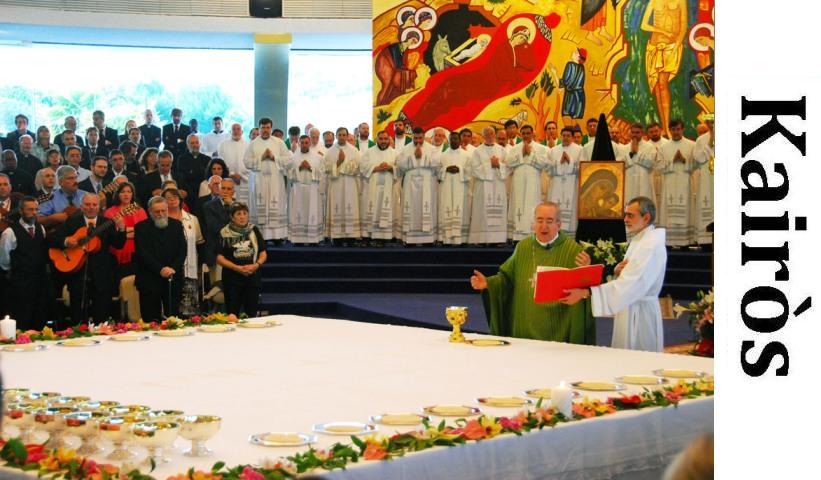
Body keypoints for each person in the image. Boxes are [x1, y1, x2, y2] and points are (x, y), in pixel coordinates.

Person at [471, 202, 595, 343]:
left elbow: (585, 290)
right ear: (533, 224)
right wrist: (488, 283)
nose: (544, 226)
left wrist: (585, 271)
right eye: (539, 220)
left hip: (558, 328)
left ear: (559, 225)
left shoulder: (573, 250)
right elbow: (506, 279)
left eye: (549, 221)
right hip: (524, 324)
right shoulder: (523, 247)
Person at [563, 196, 666, 351]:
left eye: (630, 215)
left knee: (639, 362)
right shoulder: (641, 240)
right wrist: (617, 271)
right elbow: (629, 277)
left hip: (640, 314)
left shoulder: (649, 245)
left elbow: (629, 285)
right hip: (630, 305)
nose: (625, 219)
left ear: (646, 217)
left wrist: (586, 292)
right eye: (625, 214)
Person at [50, 193, 126, 325]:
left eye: (94, 204)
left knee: (102, 318)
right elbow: (52, 239)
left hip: (101, 277)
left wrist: (122, 228)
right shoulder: (72, 221)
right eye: (87, 204)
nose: (91, 207)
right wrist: (66, 241)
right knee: (78, 318)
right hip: (78, 276)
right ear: (81, 206)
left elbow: (118, 244)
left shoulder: (106, 223)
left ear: (99, 207)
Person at [134, 196, 187, 322]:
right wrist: (160, 269)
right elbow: (142, 253)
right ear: (150, 212)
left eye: (164, 210)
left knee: (174, 319)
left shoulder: (176, 225)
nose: (161, 214)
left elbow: (183, 250)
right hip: (149, 279)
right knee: (151, 320)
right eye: (157, 212)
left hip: (173, 278)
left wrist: (172, 268)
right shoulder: (141, 227)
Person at [0, 196, 49, 330]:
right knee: (22, 317)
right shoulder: (10, 232)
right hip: (20, 283)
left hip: (39, 281)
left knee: (39, 318)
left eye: (36, 209)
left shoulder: (41, 229)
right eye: (30, 210)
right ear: (21, 211)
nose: (34, 212)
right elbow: (4, 260)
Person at [243, 118, 292, 241]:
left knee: (275, 205)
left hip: (276, 180)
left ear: (271, 128)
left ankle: (277, 237)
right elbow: (246, 162)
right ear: (258, 129)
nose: (265, 130)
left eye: (268, 127)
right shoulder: (253, 144)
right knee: (260, 206)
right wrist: (262, 157)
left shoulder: (279, 142)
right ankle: (260, 236)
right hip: (259, 181)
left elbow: (288, 160)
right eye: (263, 128)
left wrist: (274, 157)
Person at [217, 202, 266, 317]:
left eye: (245, 213)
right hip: (232, 279)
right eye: (239, 214)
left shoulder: (254, 230)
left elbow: (263, 253)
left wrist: (257, 265)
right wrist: (237, 268)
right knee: (232, 315)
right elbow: (219, 258)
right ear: (232, 217)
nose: (242, 216)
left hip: (252, 277)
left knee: (251, 315)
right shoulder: (224, 233)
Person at [164, 188, 204, 316]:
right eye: (168, 197)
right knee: (171, 304)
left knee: (189, 309)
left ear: (180, 200)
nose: (172, 199)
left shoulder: (192, 219)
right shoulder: (161, 219)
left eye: (175, 197)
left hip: (189, 266)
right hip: (169, 266)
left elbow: (199, 242)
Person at [397, 126, 440, 245]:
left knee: (426, 207)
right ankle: (410, 239)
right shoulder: (405, 149)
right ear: (412, 137)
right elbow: (400, 164)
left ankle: (428, 239)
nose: (418, 141)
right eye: (415, 138)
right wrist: (414, 158)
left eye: (420, 138)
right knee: (411, 207)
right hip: (410, 183)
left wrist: (422, 157)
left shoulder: (432, 148)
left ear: (424, 136)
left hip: (427, 183)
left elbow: (437, 164)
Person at [657, 119, 695, 247]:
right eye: (673, 129)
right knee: (669, 211)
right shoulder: (664, 147)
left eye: (678, 129)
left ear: (682, 129)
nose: (675, 132)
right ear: (670, 130)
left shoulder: (691, 145)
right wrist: (672, 161)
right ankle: (669, 242)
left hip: (685, 183)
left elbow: (696, 164)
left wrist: (684, 160)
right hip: (670, 184)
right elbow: (659, 166)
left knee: (686, 209)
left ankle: (686, 241)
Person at [507, 124, 548, 241]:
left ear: (532, 134)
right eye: (523, 133)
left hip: (533, 181)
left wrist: (530, 154)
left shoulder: (540, 148)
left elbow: (543, 164)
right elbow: (509, 163)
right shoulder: (514, 148)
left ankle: (532, 234)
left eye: (528, 133)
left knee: (532, 205)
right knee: (518, 205)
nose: (525, 136)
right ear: (521, 134)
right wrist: (521, 154)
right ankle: (517, 236)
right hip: (518, 181)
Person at [468, 127, 508, 245]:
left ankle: (498, 239)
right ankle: (481, 239)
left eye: (492, 134)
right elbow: (474, 169)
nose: (490, 136)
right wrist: (489, 164)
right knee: (482, 211)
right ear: (483, 136)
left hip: (498, 184)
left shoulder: (501, 150)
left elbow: (508, 167)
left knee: (498, 211)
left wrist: (498, 165)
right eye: (487, 134)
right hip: (483, 186)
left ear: (494, 135)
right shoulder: (477, 151)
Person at [324, 127, 361, 244]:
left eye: (344, 135)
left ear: (347, 136)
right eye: (339, 135)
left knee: (350, 206)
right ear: (336, 136)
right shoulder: (330, 151)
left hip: (350, 183)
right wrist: (339, 162)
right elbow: (326, 168)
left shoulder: (354, 150)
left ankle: (350, 236)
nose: (342, 137)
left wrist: (340, 168)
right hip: (336, 183)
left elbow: (357, 167)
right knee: (337, 206)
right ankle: (337, 237)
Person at [104, 181, 148, 279]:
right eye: (123, 192)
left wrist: (123, 231)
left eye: (129, 192)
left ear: (133, 194)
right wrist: (131, 231)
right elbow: (111, 234)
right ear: (117, 194)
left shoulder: (139, 210)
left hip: (136, 251)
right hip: (116, 252)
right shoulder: (110, 212)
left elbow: (143, 232)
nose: (126, 194)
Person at [360, 131, 397, 243]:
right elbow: (362, 168)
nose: (383, 141)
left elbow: (399, 169)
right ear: (377, 139)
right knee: (372, 208)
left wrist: (390, 168)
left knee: (386, 209)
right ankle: (370, 235)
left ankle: (386, 236)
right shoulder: (368, 152)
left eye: (386, 139)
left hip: (388, 188)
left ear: (389, 140)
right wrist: (377, 168)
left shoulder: (395, 153)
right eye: (381, 139)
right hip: (373, 188)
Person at [547, 127, 584, 237]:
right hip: (557, 186)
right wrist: (559, 162)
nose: (565, 138)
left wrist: (570, 161)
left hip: (572, 185)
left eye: (568, 136)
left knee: (571, 209)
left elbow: (583, 169)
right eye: (564, 135)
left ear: (572, 137)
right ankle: (554, 234)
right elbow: (548, 169)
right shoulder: (553, 150)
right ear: (560, 136)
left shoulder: (580, 150)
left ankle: (571, 236)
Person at [288, 135, 324, 244]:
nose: (304, 145)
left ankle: (313, 239)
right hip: (297, 189)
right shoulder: (292, 158)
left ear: (310, 143)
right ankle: (297, 239)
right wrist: (299, 168)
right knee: (298, 213)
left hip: (312, 188)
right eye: (302, 142)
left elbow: (322, 174)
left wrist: (310, 168)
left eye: (306, 142)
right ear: (298, 143)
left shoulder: (317, 158)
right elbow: (288, 174)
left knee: (311, 212)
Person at [438, 131, 471, 245]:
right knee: (446, 207)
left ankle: (461, 239)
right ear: (448, 140)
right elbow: (437, 171)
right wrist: (446, 169)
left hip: (461, 186)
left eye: (456, 139)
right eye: (451, 139)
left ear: (460, 140)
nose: (453, 141)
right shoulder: (442, 155)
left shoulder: (466, 155)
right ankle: (446, 239)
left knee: (460, 208)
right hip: (446, 186)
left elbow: (471, 171)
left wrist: (459, 170)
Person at [37, 166, 88, 230]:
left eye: (76, 177)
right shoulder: (50, 197)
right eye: (71, 178)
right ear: (61, 182)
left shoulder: (86, 195)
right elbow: (38, 220)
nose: (75, 181)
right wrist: (52, 218)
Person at [620, 123, 658, 205]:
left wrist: (637, 152)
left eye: (637, 133)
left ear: (642, 133)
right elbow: (620, 165)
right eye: (633, 132)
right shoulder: (624, 148)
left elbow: (651, 164)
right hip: (629, 181)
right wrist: (631, 154)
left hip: (644, 181)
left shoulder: (650, 147)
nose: (634, 135)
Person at [217, 123, 252, 209]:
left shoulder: (249, 146)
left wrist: (241, 176)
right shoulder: (223, 145)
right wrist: (231, 174)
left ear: (242, 132)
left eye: (238, 129)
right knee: (228, 206)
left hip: (244, 181)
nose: (236, 131)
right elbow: (220, 163)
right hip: (228, 180)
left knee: (243, 207)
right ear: (230, 131)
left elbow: (251, 165)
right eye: (234, 129)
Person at [693, 117, 714, 245]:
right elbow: (699, 158)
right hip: (707, 176)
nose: (712, 124)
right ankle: (706, 242)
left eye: (714, 122)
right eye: (710, 122)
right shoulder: (701, 139)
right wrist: (710, 141)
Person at [177, 134, 211, 210]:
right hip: (188, 194)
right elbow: (182, 178)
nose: (195, 145)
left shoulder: (207, 159)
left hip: (204, 193)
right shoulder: (182, 159)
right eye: (192, 143)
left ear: (200, 144)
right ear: (187, 145)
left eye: (196, 142)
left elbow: (208, 177)